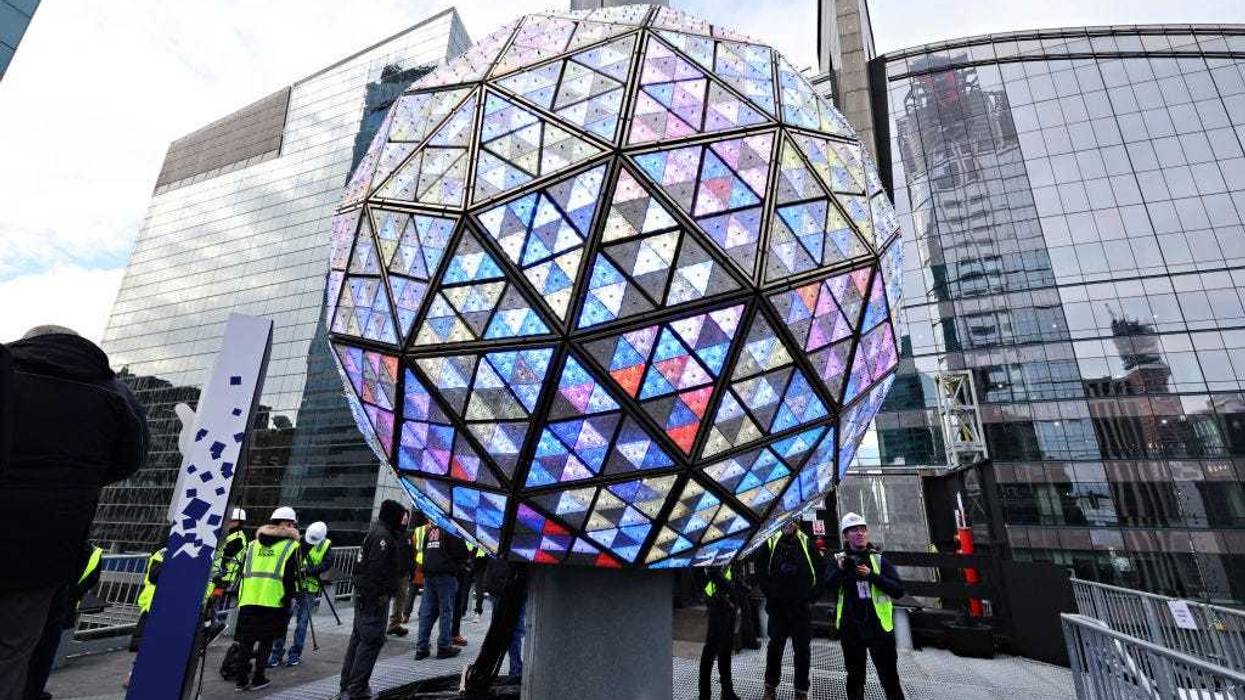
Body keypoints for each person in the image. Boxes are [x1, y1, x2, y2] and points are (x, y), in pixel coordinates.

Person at [0, 325, 148, 699]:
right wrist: (80, 477)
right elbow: (131, 458)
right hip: (45, 550)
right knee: (12, 653)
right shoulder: (115, 394)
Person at [826, 513, 906, 700]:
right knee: (854, 677)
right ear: (846, 535)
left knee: (889, 678)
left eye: (863, 529)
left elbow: (898, 590)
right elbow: (828, 586)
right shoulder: (838, 560)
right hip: (851, 628)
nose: (860, 533)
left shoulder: (878, 560)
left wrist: (872, 576)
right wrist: (841, 570)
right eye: (854, 530)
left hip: (878, 628)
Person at [339, 500, 407, 700]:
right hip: (373, 601)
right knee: (370, 642)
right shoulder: (383, 538)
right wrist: (378, 597)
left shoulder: (377, 533)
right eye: (401, 516)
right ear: (392, 515)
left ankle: (348, 686)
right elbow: (376, 572)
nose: (403, 521)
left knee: (358, 641)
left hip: (366, 599)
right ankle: (357, 689)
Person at [232, 507, 300, 691]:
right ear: (286, 523)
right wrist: (289, 599)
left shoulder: (253, 544)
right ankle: (258, 678)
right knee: (266, 642)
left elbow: (242, 572)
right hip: (273, 601)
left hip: (248, 599)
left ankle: (240, 680)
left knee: (246, 641)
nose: (293, 526)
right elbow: (289, 578)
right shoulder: (290, 546)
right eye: (292, 523)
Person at [24, 541, 103, 700]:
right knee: (44, 653)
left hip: (40, 602)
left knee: (26, 649)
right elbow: (91, 580)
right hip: (66, 603)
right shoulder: (95, 553)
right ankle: (33, 690)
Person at [757, 520, 821, 700]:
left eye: (793, 521)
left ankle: (801, 691)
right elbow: (760, 571)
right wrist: (771, 593)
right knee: (775, 648)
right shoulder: (771, 541)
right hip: (778, 609)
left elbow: (821, 569)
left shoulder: (806, 541)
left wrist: (812, 598)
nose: (789, 524)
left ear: (798, 523)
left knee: (802, 650)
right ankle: (770, 687)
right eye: (786, 520)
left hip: (801, 609)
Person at [268, 520, 332, 668]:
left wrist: (309, 571)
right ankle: (276, 654)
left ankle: (294, 654)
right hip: (293, 586)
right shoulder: (299, 541)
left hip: (308, 588)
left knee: (302, 623)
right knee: (283, 620)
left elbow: (327, 564)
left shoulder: (326, 545)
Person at [414, 523, 468, 660]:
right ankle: (444, 646)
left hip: (430, 573)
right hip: (445, 574)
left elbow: (425, 549)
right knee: (446, 611)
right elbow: (461, 552)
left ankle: (421, 647)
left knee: (427, 612)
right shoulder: (451, 528)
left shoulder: (431, 529)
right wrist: (459, 566)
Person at [698, 563, 741, 700]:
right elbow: (711, 573)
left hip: (728, 605)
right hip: (718, 605)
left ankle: (727, 691)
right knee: (710, 653)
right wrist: (731, 591)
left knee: (726, 650)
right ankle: (705, 696)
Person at [387, 518, 415, 637]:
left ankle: (395, 624)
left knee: (400, 599)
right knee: (386, 599)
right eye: (402, 516)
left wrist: (411, 570)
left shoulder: (408, 535)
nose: (404, 518)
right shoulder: (391, 533)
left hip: (403, 573)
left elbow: (411, 553)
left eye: (406, 516)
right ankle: (382, 627)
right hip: (391, 572)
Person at [214, 508, 248, 599]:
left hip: (224, 579)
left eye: (230, 520)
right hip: (219, 577)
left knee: (214, 603)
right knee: (210, 603)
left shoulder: (238, 538)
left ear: (238, 522)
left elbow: (226, 555)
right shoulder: (229, 535)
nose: (227, 522)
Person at [401, 514, 428, 622]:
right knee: (426, 592)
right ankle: (422, 613)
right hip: (427, 563)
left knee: (412, 590)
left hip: (416, 562)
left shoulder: (417, 531)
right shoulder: (431, 530)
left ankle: (406, 614)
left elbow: (413, 545)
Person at [470, 544, 488, 623]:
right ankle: (477, 611)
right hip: (478, 561)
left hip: (487, 560)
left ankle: (478, 611)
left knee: (480, 588)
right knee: (479, 588)